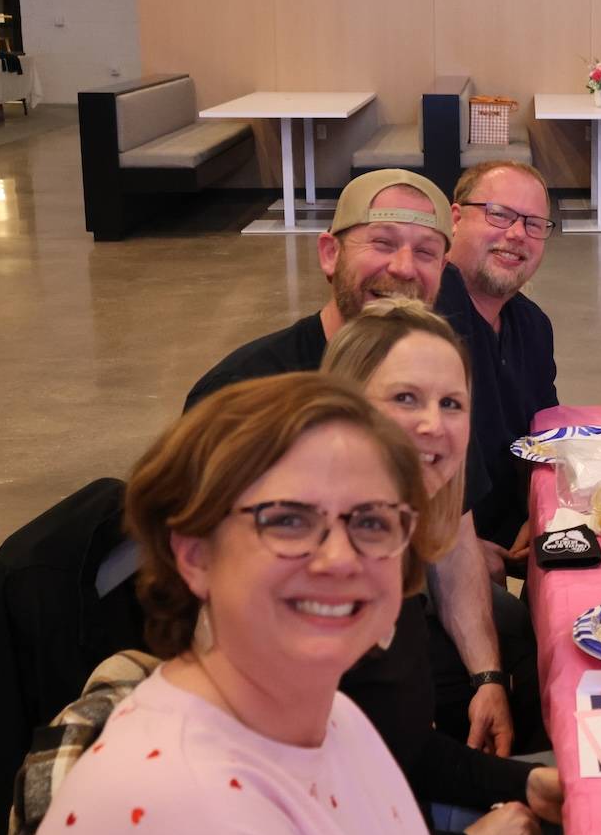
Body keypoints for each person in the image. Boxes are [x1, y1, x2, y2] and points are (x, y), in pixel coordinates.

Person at [0, 373, 583, 835]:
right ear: (193, 553)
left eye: (372, 521)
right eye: (288, 520)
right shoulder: (192, 825)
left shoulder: (330, 722)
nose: (337, 557)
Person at [187, 169, 542, 758]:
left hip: (398, 615)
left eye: (426, 252)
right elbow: (213, 607)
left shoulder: (430, 376)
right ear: (330, 254)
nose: (404, 268)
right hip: (291, 667)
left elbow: (452, 540)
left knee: (537, 657)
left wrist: (488, 680)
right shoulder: (244, 396)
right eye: (381, 244)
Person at [323, 299, 577, 835]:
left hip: (396, 827)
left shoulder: (390, 545)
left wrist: (522, 785)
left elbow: (401, 745)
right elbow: (282, 833)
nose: (434, 425)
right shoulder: (317, 580)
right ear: (342, 409)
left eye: (451, 402)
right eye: (405, 399)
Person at [436, 160, 560, 577]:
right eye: (499, 214)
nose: (516, 234)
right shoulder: (424, 319)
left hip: (514, 536)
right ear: (455, 218)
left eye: (533, 223)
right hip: (430, 561)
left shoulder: (532, 326)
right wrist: (459, 546)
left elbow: (544, 436)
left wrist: (538, 511)